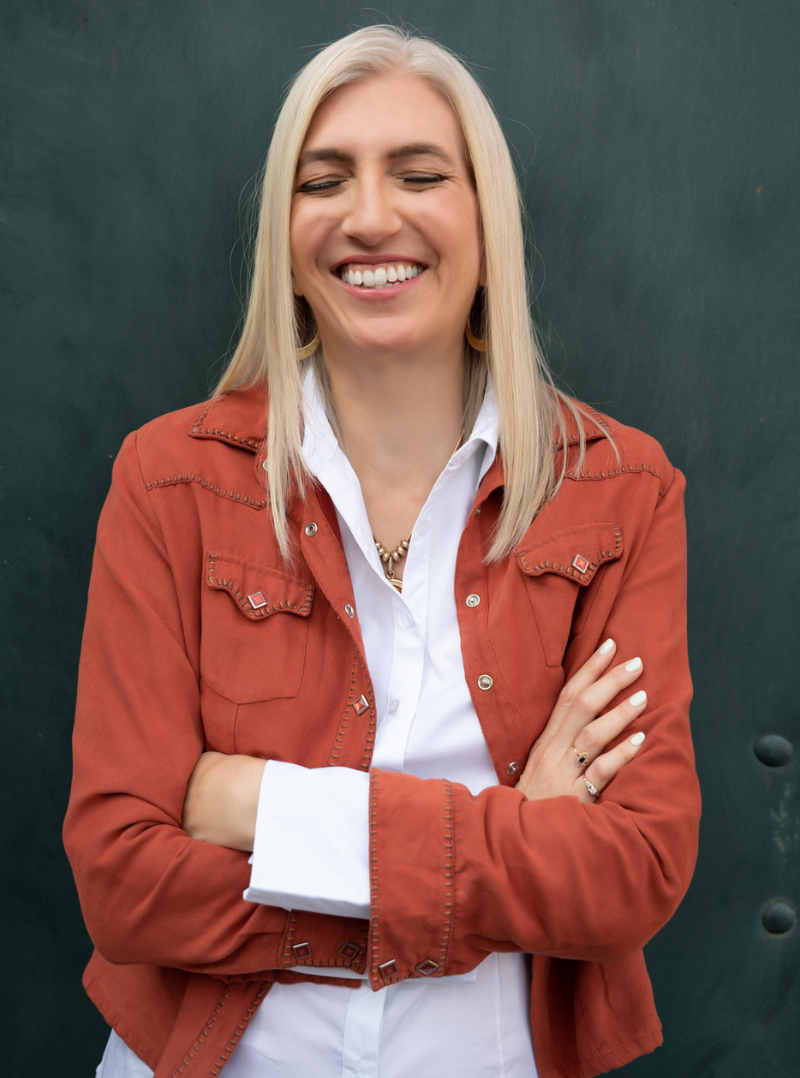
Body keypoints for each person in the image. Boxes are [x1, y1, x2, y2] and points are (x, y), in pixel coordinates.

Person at [64, 25, 700, 1078]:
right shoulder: (170, 481)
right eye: (324, 180)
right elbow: (124, 882)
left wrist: (261, 809)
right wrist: (506, 832)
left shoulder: (620, 491)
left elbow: (632, 870)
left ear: (484, 221)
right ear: (286, 233)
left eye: (418, 174)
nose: (368, 216)